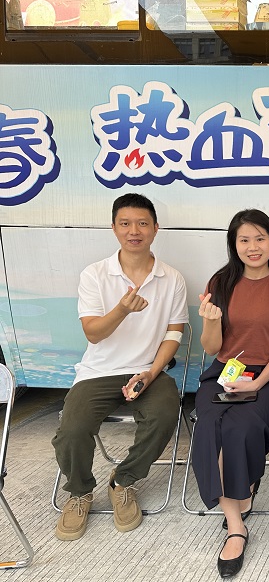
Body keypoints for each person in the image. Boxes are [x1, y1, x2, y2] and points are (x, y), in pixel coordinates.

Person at [52, 193, 188, 541]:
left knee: (164, 415)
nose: (134, 231)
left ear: (155, 228)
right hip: (99, 371)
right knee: (72, 430)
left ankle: (123, 481)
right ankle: (79, 492)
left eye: (142, 223)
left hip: (147, 370)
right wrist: (123, 309)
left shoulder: (171, 277)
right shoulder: (95, 274)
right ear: (114, 228)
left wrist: (151, 373)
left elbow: (174, 333)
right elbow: (93, 333)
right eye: (125, 223)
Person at [192, 209, 269, 578]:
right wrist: (210, 321)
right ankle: (236, 526)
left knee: (240, 426)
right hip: (224, 374)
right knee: (210, 424)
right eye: (244, 240)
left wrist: (256, 383)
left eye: (260, 238)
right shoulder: (221, 282)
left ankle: (244, 486)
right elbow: (212, 347)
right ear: (234, 244)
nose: (253, 247)